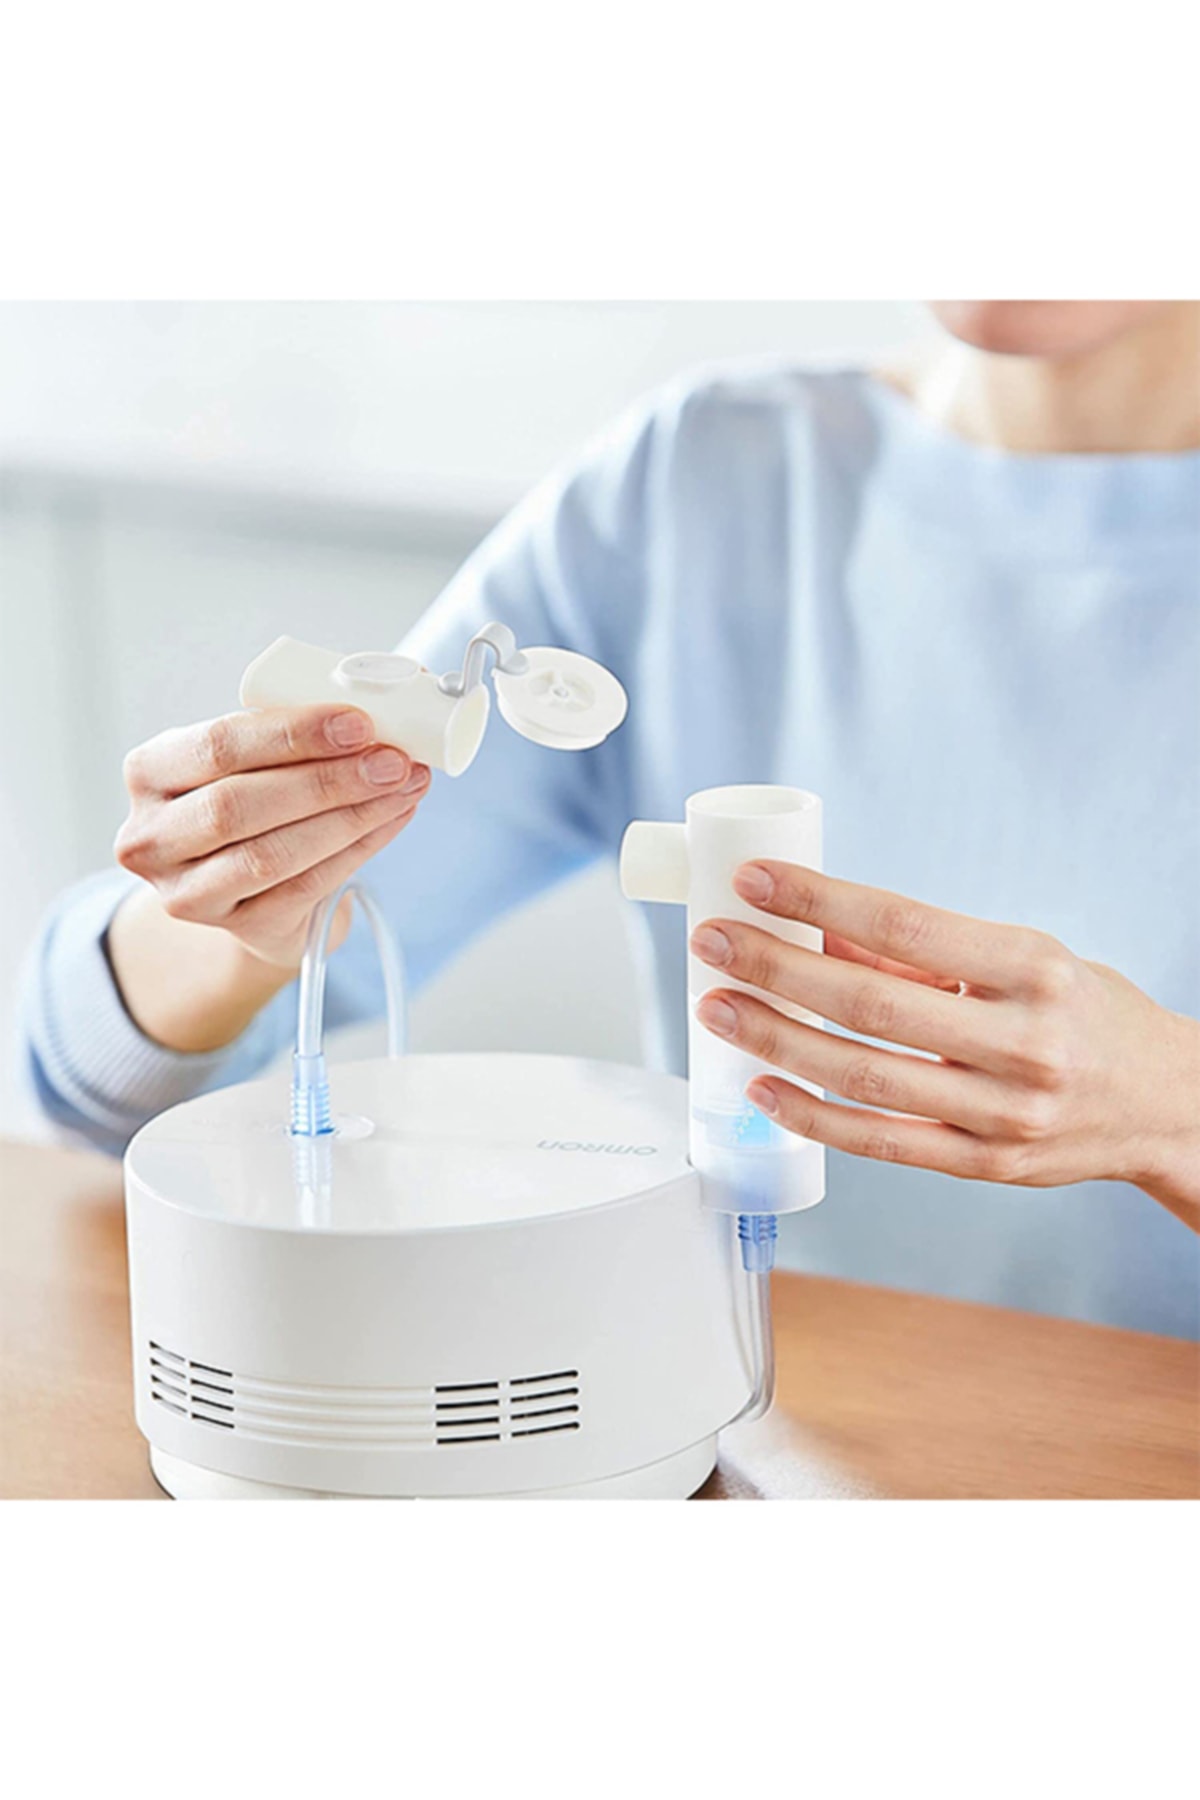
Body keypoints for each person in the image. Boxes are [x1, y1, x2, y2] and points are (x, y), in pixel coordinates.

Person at [20, 301, 1200, 1338]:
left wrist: (1171, 1111)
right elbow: (91, 1082)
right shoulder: (700, 487)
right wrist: (232, 895)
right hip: (753, 1415)